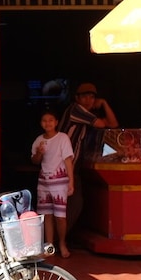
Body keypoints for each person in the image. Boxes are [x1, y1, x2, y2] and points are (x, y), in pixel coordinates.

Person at [58, 81, 117, 234]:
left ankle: (60, 241)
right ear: (77, 98)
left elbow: (113, 124)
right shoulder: (76, 110)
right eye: (85, 97)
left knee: (66, 206)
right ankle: (57, 242)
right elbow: (102, 124)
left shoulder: (85, 113)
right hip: (62, 168)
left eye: (92, 97)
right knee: (73, 205)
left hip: (70, 169)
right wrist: (102, 104)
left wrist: (103, 103)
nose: (89, 101)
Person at [31, 110, 75, 257]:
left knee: (60, 216)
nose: (48, 123)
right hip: (44, 182)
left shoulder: (63, 138)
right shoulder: (38, 140)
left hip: (60, 182)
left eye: (51, 120)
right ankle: (50, 246)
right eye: (44, 120)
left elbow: (68, 160)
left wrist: (71, 181)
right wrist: (39, 153)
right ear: (41, 123)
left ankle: (62, 243)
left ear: (56, 122)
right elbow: (35, 161)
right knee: (46, 215)